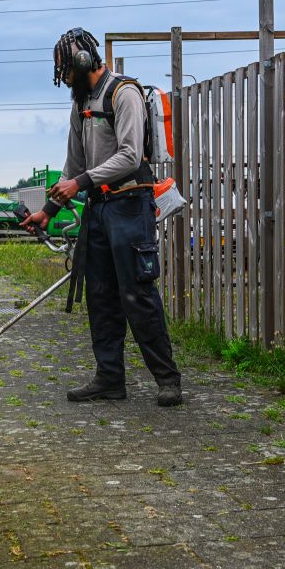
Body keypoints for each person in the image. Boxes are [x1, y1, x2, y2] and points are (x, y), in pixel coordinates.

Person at [20, 27, 183, 407]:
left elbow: (128, 155)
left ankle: (167, 379)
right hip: (98, 208)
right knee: (101, 296)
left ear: (81, 61)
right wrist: (48, 211)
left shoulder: (124, 94)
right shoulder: (80, 105)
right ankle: (110, 379)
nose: (65, 81)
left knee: (137, 293)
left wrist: (80, 182)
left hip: (130, 203)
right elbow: (73, 165)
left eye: (66, 73)